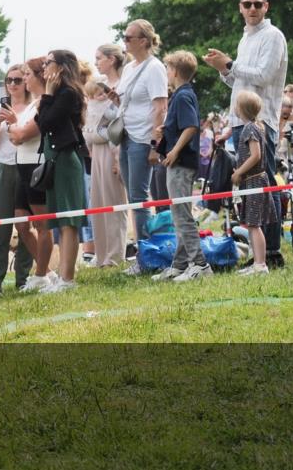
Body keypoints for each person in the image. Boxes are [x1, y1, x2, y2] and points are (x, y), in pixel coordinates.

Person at [203, 0, 289, 268]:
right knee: (254, 190)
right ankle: (260, 254)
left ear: (266, 6)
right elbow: (239, 81)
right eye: (247, 4)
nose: (252, 9)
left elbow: (263, 76)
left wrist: (230, 63)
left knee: (264, 186)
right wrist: (224, 69)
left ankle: (273, 252)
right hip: (240, 121)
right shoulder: (245, 38)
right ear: (240, 8)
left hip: (261, 120)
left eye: (257, 4)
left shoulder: (273, 36)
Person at [109, 20, 168, 275]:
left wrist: (155, 145)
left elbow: (160, 107)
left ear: (144, 40)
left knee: (139, 197)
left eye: (128, 37)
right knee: (134, 197)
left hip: (142, 138)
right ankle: (144, 252)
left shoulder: (154, 68)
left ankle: (146, 255)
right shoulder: (130, 68)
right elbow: (129, 99)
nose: (125, 41)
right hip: (126, 135)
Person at [152, 52, 211, 282]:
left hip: (181, 163)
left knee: (182, 215)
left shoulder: (183, 96)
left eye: (167, 69)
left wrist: (175, 150)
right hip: (179, 161)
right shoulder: (181, 95)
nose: (166, 73)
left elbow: (191, 127)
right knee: (179, 215)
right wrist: (166, 131)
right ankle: (179, 264)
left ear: (175, 71)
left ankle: (200, 264)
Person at [35, 50, 88, 293]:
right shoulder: (59, 93)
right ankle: (65, 275)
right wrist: (47, 96)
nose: (44, 67)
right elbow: (42, 120)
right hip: (55, 160)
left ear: (62, 67)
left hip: (66, 160)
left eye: (48, 63)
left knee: (69, 221)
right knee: (61, 221)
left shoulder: (67, 93)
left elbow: (45, 122)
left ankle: (67, 278)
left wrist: (46, 94)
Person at [5, 57, 55, 291]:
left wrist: (15, 128)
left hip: (36, 165)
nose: (23, 79)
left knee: (42, 224)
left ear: (39, 76)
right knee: (22, 224)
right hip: (21, 165)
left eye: (27, 74)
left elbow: (22, 135)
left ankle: (42, 274)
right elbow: (15, 137)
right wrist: (16, 129)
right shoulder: (31, 104)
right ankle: (46, 270)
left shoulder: (43, 103)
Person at [0, 64, 35, 293]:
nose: (13, 84)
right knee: (1, 226)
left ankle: (23, 278)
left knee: (25, 224)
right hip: (4, 166)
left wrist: (15, 120)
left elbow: (28, 137)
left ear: (26, 82)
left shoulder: (33, 106)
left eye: (17, 80)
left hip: (27, 165)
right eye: (9, 80)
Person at [230, 91, 278, 275]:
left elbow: (256, 155)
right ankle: (258, 262)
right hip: (253, 181)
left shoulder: (250, 129)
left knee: (254, 224)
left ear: (241, 109)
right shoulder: (254, 127)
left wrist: (239, 172)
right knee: (252, 224)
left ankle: (260, 264)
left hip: (254, 181)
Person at [83, 75, 128, 267]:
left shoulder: (113, 107)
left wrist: (117, 161)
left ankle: (115, 255)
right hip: (96, 154)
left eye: (102, 93)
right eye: (96, 93)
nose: (100, 97)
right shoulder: (90, 108)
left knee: (113, 202)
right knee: (98, 203)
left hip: (112, 154)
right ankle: (101, 255)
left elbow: (116, 128)